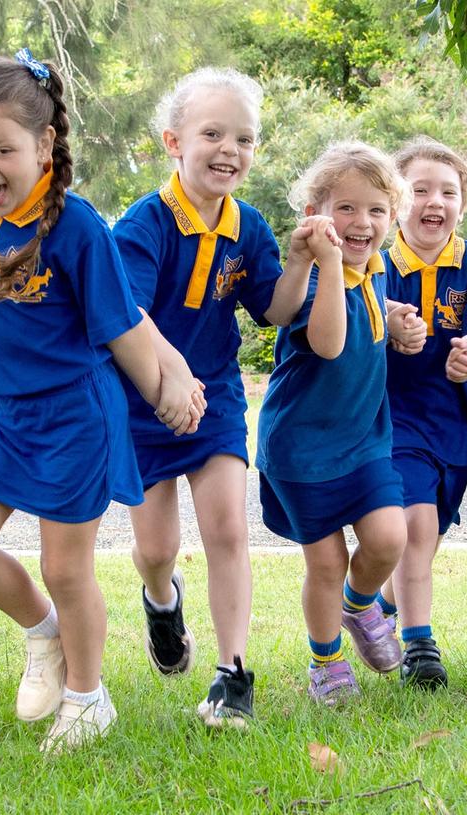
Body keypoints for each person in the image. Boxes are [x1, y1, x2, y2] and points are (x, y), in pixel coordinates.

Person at [0, 50, 203, 752]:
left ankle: (88, 696)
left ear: (44, 143)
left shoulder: (76, 227)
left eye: (1, 149)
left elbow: (123, 328)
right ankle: (43, 631)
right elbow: (4, 315)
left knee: (65, 565)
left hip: (72, 419)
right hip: (4, 417)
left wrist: (166, 391)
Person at [110, 67, 307, 726]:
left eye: (244, 138)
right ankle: (161, 598)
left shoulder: (248, 228)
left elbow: (275, 309)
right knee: (157, 547)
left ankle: (233, 672)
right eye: (213, 133)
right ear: (174, 141)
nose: (230, 149)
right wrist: (167, 384)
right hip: (145, 400)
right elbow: (127, 317)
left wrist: (305, 260)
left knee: (226, 526)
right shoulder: (145, 224)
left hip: (216, 393)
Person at [256, 141, 426, 706]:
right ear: (315, 213)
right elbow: (329, 344)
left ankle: (359, 604)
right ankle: (325, 660)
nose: (362, 222)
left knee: (388, 537)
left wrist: (398, 320)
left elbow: (368, 322)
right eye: (346, 208)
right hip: (302, 448)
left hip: (365, 440)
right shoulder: (308, 278)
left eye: (377, 210)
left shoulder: (374, 271)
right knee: (325, 561)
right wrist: (325, 263)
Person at [377, 136, 467, 689]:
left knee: (426, 537)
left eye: (448, 192)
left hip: (457, 424)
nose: (435, 202)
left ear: (463, 201)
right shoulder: (379, 257)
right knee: (414, 525)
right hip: (394, 417)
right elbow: (352, 294)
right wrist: (389, 318)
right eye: (420, 189)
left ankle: (368, 602)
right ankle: (419, 646)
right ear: (396, 198)